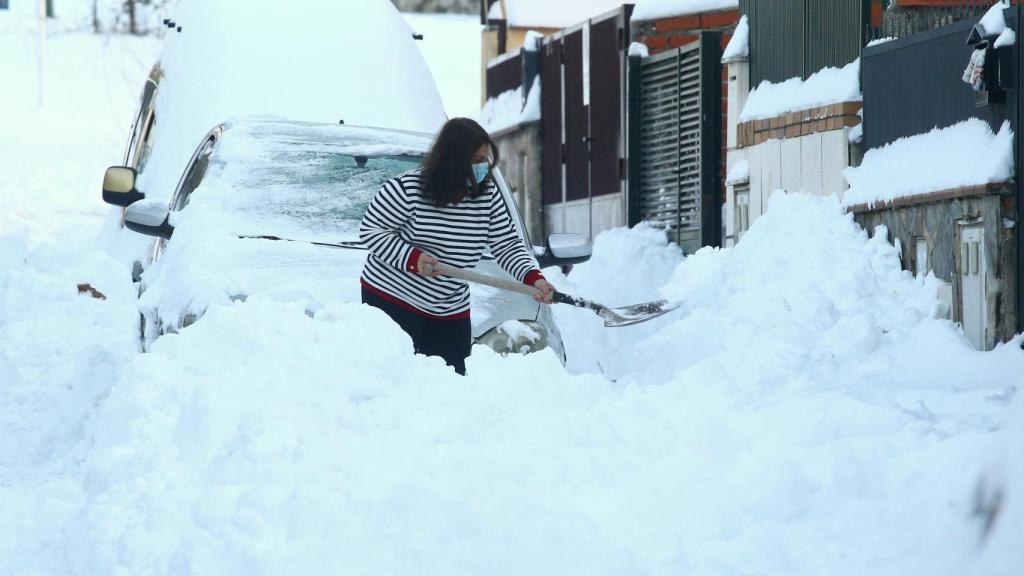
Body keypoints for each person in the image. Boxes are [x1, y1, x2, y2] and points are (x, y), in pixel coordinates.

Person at [358, 117, 555, 375]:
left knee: (450, 382)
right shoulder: (408, 189)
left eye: (485, 160)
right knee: (394, 378)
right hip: (392, 297)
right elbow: (372, 230)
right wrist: (413, 258)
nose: (481, 167)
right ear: (452, 159)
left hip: (448, 306)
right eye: (475, 161)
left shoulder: (488, 196)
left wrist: (534, 278)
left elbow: (507, 245)